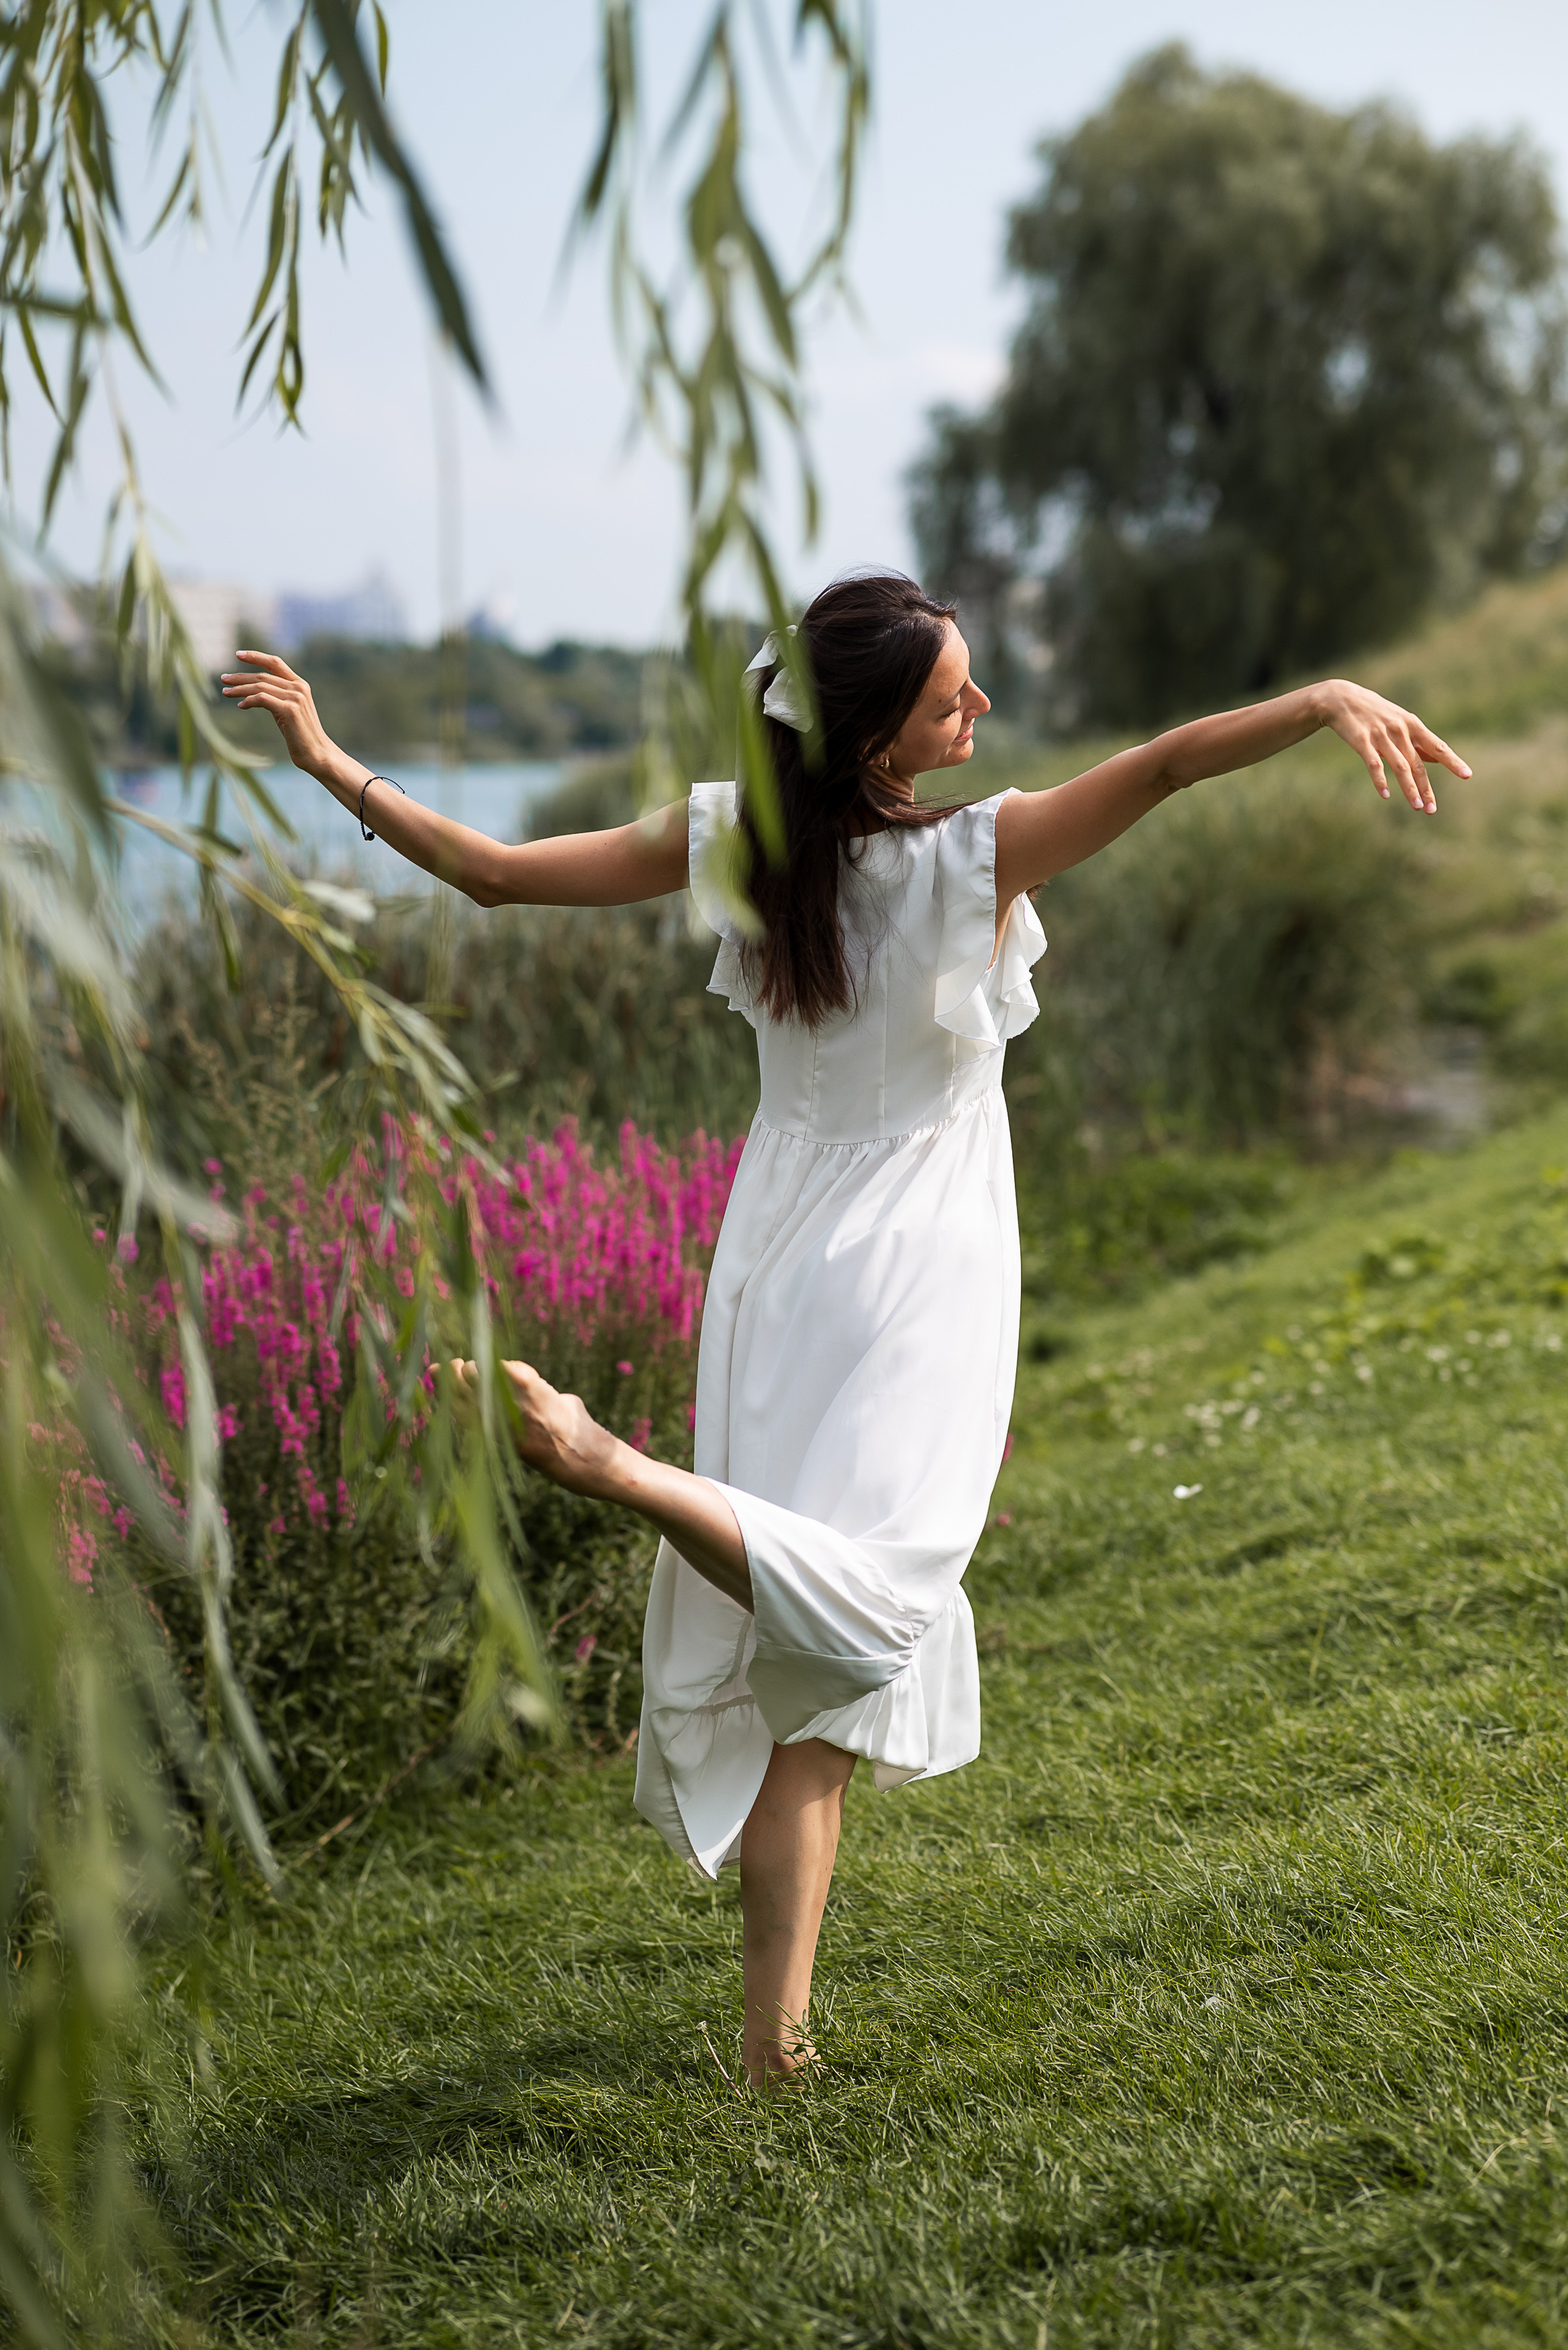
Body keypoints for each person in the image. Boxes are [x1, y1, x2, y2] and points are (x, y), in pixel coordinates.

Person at [223, 573, 1468, 2086]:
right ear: (878, 727)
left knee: (809, 1653)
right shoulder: (972, 855)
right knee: (877, 1598)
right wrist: (1324, 696)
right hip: (914, 1268)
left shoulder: (732, 837)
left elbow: (489, 870)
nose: (982, 712)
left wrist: (328, 761)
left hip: (772, 1253)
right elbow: (1167, 763)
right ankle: (611, 1465)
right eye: (956, 697)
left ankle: (773, 2048)